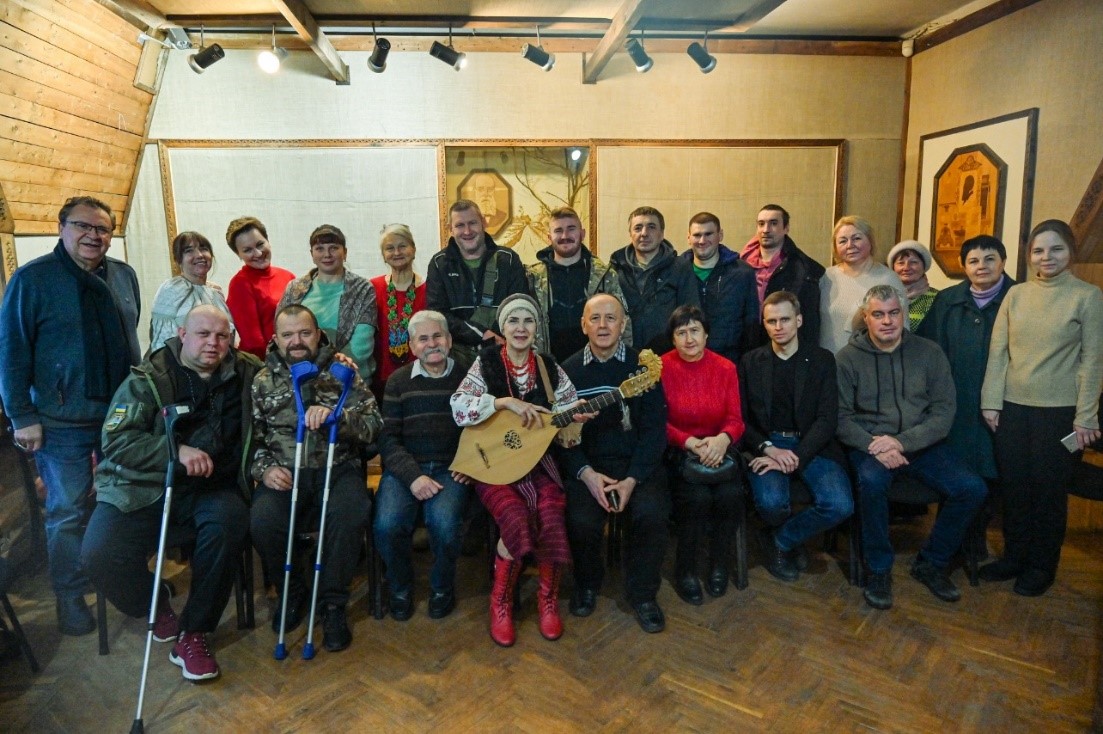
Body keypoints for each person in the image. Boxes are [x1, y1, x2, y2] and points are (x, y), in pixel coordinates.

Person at [81, 306, 256, 681]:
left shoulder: (246, 371)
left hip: (212, 489)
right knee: (99, 553)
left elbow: (288, 368)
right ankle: (154, 603)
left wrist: (332, 357)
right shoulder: (148, 379)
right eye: (203, 334)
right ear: (182, 335)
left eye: (222, 336)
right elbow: (117, 440)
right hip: (143, 488)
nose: (213, 343)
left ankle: (194, 633)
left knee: (230, 523)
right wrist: (174, 452)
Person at [0, 196, 140, 636]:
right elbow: (11, 353)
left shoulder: (123, 275)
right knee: (67, 510)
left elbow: (130, 339)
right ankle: (69, 592)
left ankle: (123, 581)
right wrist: (22, 415)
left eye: (102, 229)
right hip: (61, 422)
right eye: (83, 226)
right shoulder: (32, 280)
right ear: (61, 228)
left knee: (124, 501)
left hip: (119, 416)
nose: (93, 236)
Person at [837, 285, 987, 610]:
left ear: (903, 314)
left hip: (922, 443)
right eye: (878, 314)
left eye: (894, 313)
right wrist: (875, 445)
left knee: (972, 488)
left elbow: (944, 411)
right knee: (871, 482)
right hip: (872, 444)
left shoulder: (929, 352)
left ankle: (931, 562)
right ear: (866, 317)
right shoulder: (847, 358)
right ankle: (878, 568)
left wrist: (902, 442)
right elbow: (841, 417)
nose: (887, 321)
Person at [450, 294, 586, 647]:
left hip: (538, 461)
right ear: (503, 327)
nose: (521, 328)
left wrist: (577, 415)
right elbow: (459, 407)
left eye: (528, 321)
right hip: (493, 464)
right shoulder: (486, 364)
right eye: (513, 321)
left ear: (536, 327)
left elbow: (568, 406)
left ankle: (547, 600)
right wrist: (501, 402)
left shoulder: (548, 366)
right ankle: (501, 601)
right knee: (512, 513)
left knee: (552, 511)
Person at [980, 220, 1103, 596]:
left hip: (1061, 415)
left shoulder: (1088, 296)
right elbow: (998, 352)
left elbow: (1093, 361)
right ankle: (1014, 557)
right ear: (1029, 255)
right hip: (1013, 410)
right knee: (1014, 489)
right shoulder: (1016, 296)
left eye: (1056, 249)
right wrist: (990, 402)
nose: (1046, 257)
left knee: (1049, 492)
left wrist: (1086, 417)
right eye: (1038, 250)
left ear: (1071, 252)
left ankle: (1041, 566)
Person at [250, 305, 382, 652]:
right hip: (285, 472)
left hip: (338, 469)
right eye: (288, 335)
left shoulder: (344, 371)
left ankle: (333, 602)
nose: (296, 341)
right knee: (263, 519)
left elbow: (374, 427)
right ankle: (291, 592)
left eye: (304, 333)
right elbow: (254, 441)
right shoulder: (261, 381)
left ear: (318, 333)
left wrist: (340, 420)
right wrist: (265, 469)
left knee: (351, 511)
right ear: (275, 339)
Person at [560, 294, 669, 632]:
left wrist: (632, 479)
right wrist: (587, 475)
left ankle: (643, 594)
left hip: (636, 463)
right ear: (583, 324)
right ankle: (587, 584)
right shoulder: (568, 370)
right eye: (595, 318)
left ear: (623, 324)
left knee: (652, 514)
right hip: (589, 464)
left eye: (611, 318)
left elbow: (654, 431)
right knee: (580, 520)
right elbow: (562, 438)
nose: (603, 325)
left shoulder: (643, 368)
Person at [739, 291, 853, 582]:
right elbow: (741, 420)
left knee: (839, 505)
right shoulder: (751, 362)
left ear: (799, 320)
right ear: (764, 324)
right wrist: (769, 450)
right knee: (771, 504)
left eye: (785, 319)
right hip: (768, 446)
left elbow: (827, 419)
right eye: (772, 321)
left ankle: (780, 541)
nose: (779, 327)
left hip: (813, 445)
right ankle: (787, 538)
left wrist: (797, 456)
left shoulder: (822, 360)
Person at [375, 311, 470, 621]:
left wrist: (468, 464)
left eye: (438, 336)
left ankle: (442, 587)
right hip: (406, 469)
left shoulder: (469, 378)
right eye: (424, 338)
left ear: (450, 340)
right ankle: (400, 587)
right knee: (388, 525)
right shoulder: (398, 382)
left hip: (451, 468)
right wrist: (413, 477)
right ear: (413, 346)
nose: (433, 344)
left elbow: (481, 431)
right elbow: (388, 440)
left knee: (444, 525)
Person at [661, 305, 745, 605]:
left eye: (694, 330)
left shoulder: (725, 368)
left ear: (706, 334)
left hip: (720, 450)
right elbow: (659, 423)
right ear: (672, 339)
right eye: (680, 332)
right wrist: (689, 443)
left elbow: (736, 419)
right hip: (679, 454)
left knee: (730, 496)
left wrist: (721, 440)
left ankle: (720, 565)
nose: (688, 338)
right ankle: (685, 570)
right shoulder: (661, 367)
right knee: (696, 498)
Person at [917, 235, 1016, 482]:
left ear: (1003, 262)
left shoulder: (1021, 298)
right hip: (955, 401)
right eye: (973, 261)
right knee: (956, 475)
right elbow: (927, 349)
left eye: (990, 259)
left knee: (1000, 473)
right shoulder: (947, 300)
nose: (981, 266)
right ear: (964, 266)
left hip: (1005, 400)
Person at [426, 199, 529, 364]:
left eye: (472, 223)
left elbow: (520, 308)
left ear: (484, 222)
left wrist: (499, 339)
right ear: (449, 229)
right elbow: (438, 316)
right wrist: (482, 334)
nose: (467, 231)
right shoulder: (439, 264)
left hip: (505, 356)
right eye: (460, 225)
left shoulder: (508, 260)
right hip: (457, 360)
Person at [527, 206, 632, 362]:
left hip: (595, 365)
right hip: (547, 367)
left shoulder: (605, 275)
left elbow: (623, 321)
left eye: (571, 229)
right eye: (558, 231)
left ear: (582, 234)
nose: (565, 235)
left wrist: (623, 364)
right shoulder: (532, 278)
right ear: (549, 238)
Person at [278, 224, 377, 379]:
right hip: (301, 375)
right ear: (312, 254)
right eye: (320, 249)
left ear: (345, 252)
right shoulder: (295, 288)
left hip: (347, 375)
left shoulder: (362, 289)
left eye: (334, 248)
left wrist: (329, 371)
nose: (327, 254)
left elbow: (361, 346)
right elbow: (281, 332)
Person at [609, 206, 700, 353]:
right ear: (630, 234)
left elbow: (690, 315)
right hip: (624, 355)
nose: (644, 233)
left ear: (661, 234)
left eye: (651, 227)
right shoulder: (615, 269)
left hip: (668, 355)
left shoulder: (680, 268)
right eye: (638, 228)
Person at [741, 205, 825, 350]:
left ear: (786, 228)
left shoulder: (804, 269)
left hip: (786, 349)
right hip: (747, 347)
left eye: (773, 223)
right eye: (761, 224)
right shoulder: (740, 266)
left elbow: (810, 321)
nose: (766, 230)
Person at [819, 216, 907, 354]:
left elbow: (902, 329)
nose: (850, 245)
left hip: (870, 363)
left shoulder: (888, 279)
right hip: (827, 363)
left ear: (870, 241)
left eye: (856, 238)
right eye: (843, 241)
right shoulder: (825, 277)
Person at [680, 212, 758, 363]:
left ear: (720, 235)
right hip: (686, 363)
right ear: (688, 238)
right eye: (697, 235)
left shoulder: (742, 273)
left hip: (730, 362)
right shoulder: (677, 272)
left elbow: (751, 325)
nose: (702, 240)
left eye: (708, 234)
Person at [148, 231, 234, 353]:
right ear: (178, 260)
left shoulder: (216, 291)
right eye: (189, 251)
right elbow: (162, 343)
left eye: (204, 249)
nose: (199, 255)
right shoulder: (172, 289)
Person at [225, 216, 295, 360]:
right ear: (239, 254)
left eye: (260, 244)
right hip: (266, 365)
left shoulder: (288, 276)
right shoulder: (240, 284)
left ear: (268, 241)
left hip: (296, 357)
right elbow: (253, 342)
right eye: (247, 250)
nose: (258, 253)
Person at [369, 224, 427, 400]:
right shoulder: (372, 287)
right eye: (390, 248)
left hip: (420, 378)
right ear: (384, 256)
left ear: (413, 249)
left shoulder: (430, 289)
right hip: (381, 379)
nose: (397, 252)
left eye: (402, 246)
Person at [888, 240, 938, 330]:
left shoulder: (938, 298)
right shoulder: (883, 296)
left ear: (924, 267)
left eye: (913, 262)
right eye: (901, 263)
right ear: (893, 268)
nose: (906, 268)